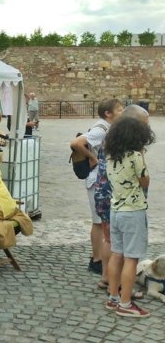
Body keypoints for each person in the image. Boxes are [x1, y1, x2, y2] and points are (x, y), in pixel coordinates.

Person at [95, 104, 150, 291]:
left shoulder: (114, 140)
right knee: (125, 252)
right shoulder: (132, 149)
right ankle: (121, 289)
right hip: (123, 201)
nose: (146, 128)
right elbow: (143, 179)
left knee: (110, 241)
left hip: (109, 197)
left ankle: (108, 281)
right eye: (144, 124)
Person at [104, 116, 154, 317]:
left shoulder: (110, 156)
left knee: (117, 254)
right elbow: (145, 182)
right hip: (133, 211)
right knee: (132, 259)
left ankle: (113, 296)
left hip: (115, 210)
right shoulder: (135, 155)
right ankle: (125, 304)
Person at [70, 98, 123, 275]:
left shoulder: (106, 128)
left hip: (101, 179)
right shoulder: (101, 129)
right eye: (120, 109)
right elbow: (76, 143)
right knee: (98, 222)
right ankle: (96, 259)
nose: (122, 112)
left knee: (101, 222)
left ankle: (100, 258)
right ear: (108, 113)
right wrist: (93, 159)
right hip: (95, 180)